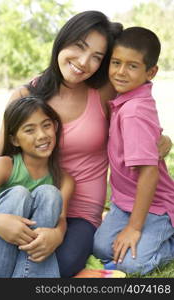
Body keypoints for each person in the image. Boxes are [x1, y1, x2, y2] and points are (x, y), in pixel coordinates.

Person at [0, 11, 171, 277]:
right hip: (24, 203)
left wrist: (163, 142)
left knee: (63, 265)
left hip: (80, 212)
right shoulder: (25, 96)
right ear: (63, 40)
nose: (84, 62)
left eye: (97, 57)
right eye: (79, 47)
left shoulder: (105, 92)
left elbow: (140, 121)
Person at [93, 26, 174, 275]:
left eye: (132, 66)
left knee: (131, 264)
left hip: (155, 206)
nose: (120, 71)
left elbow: (149, 174)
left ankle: (168, 240)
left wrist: (134, 228)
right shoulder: (126, 101)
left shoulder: (134, 111)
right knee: (101, 249)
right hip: (124, 203)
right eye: (116, 62)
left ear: (151, 72)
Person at [0, 96, 74, 277]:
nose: (42, 135)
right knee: (19, 194)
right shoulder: (5, 165)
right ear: (14, 140)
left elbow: (61, 219)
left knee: (50, 194)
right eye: (29, 130)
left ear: (55, 127)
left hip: (27, 259)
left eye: (46, 125)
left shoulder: (64, 180)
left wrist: (57, 235)